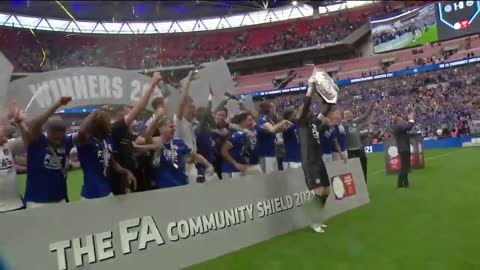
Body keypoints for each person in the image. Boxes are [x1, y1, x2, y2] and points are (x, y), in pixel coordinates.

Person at [15, 97, 73, 208]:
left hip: (60, 199)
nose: (58, 140)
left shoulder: (66, 142)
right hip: (38, 202)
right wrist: (56, 105)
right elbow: (35, 124)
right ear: (48, 132)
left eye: (61, 136)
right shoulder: (37, 142)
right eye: (55, 137)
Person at [110, 71, 163, 194]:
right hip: (122, 182)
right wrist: (153, 83)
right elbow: (139, 108)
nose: (132, 117)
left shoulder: (130, 135)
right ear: (119, 115)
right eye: (128, 113)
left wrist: (158, 142)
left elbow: (147, 141)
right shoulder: (116, 129)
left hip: (136, 177)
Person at [298, 71, 337, 233]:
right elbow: (306, 104)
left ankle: (314, 215)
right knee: (320, 191)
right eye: (304, 110)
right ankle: (313, 220)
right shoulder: (301, 124)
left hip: (318, 160)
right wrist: (310, 88)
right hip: (310, 161)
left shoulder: (314, 123)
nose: (307, 111)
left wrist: (332, 93)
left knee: (326, 191)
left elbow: (328, 108)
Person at [135, 115, 214, 189]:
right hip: (164, 187)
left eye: (174, 127)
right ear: (161, 129)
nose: (174, 129)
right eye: (171, 126)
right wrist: (156, 118)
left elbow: (194, 155)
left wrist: (208, 165)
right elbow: (147, 135)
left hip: (182, 184)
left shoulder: (178, 142)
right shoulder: (156, 141)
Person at [75, 108, 137, 199]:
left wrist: (125, 171)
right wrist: (96, 113)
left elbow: (112, 161)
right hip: (90, 194)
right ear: (100, 126)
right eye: (108, 124)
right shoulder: (86, 140)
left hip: (106, 191)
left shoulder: (108, 141)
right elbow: (82, 131)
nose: (110, 126)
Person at [174, 70, 200, 183]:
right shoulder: (179, 121)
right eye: (190, 107)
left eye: (194, 108)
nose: (193, 110)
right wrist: (188, 81)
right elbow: (182, 101)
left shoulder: (192, 123)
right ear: (184, 108)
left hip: (192, 166)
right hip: (183, 168)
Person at [0, 104, 26, 213]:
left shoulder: (8, 146)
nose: (7, 138)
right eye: (4, 134)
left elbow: (27, 141)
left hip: (16, 205)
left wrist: (21, 123)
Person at [221, 112, 263, 179]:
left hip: (249, 167)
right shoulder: (237, 136)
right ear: (242, 122)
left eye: (253, 119)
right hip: (233, 170)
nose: (253, 122)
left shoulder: (254, 131)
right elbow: (223, 151)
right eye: (250, 120)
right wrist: (236, 164)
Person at [256, 101, 292, 174]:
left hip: (272, 152)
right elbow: (272, 130)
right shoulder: (263, 119)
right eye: (274, 108)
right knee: (268, 175)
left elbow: (277, 130)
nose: (275, 109)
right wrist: (284, 122)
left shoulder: (269, 120)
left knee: (274, 174)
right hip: (265, 154)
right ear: (269, 109)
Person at [343, 103, 374, 182]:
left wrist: (370, 107)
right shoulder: (342, 124)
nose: (347, 115)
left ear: (352, 114)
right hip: (350, 150)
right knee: (353, 170)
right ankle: (356, 188)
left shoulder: (355, 121)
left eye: (348, 113)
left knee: (363, 169)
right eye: (345, 114)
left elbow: (365, 116)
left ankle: (364, 187)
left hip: (360, 149)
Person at [393, 112, 415, 188]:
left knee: (406, 166)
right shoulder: (398, 127)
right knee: (404, 167)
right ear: (397, 121)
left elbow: (407, 129)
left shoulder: (399, 128)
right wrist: (411, 119)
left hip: (404, 148)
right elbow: (408, 127)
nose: (402, 121)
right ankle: (400, 183)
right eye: (401, 120)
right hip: (404, 149)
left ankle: (405, 183)